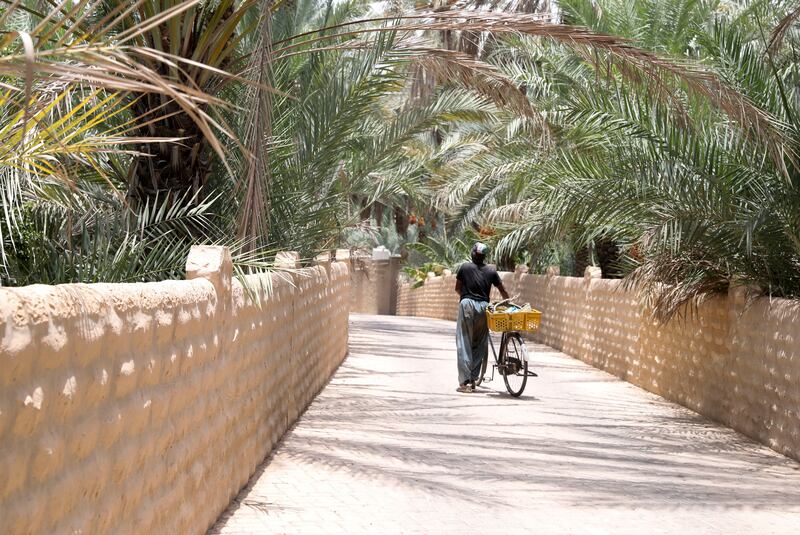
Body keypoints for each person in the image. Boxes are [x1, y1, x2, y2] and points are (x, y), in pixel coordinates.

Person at [454, 242, 509, 393]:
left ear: (473, 254)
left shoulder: (464, 267)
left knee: (464, 342)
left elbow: (457, 288)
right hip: (484, 308)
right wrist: (509, 304)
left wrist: (467, 298)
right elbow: (503, 290)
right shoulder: (491, 271)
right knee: (479, 343)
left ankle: (465, 382)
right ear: (484, 256)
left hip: (467, 305)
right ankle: (472, 379)